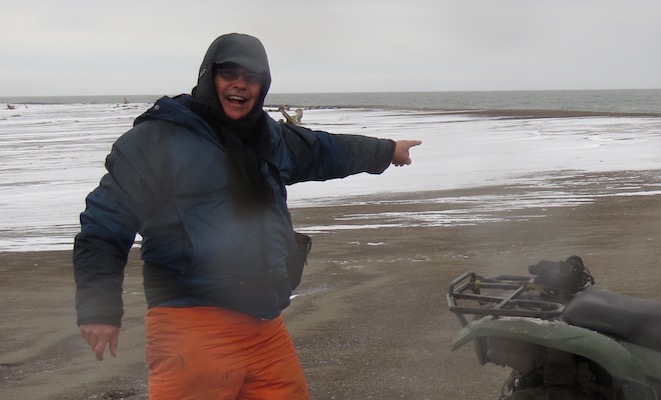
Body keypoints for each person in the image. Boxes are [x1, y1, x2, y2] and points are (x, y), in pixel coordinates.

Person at [73, 33, 421, 399]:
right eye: (230, 73)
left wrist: (386, 151)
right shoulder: (158, 139)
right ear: (210, 77)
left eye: (252, 76)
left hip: (264, 325)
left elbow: (324, 150)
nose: (241, 83)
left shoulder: (268, 137)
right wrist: (99, 306)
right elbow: (104, 224)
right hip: (192, 322)